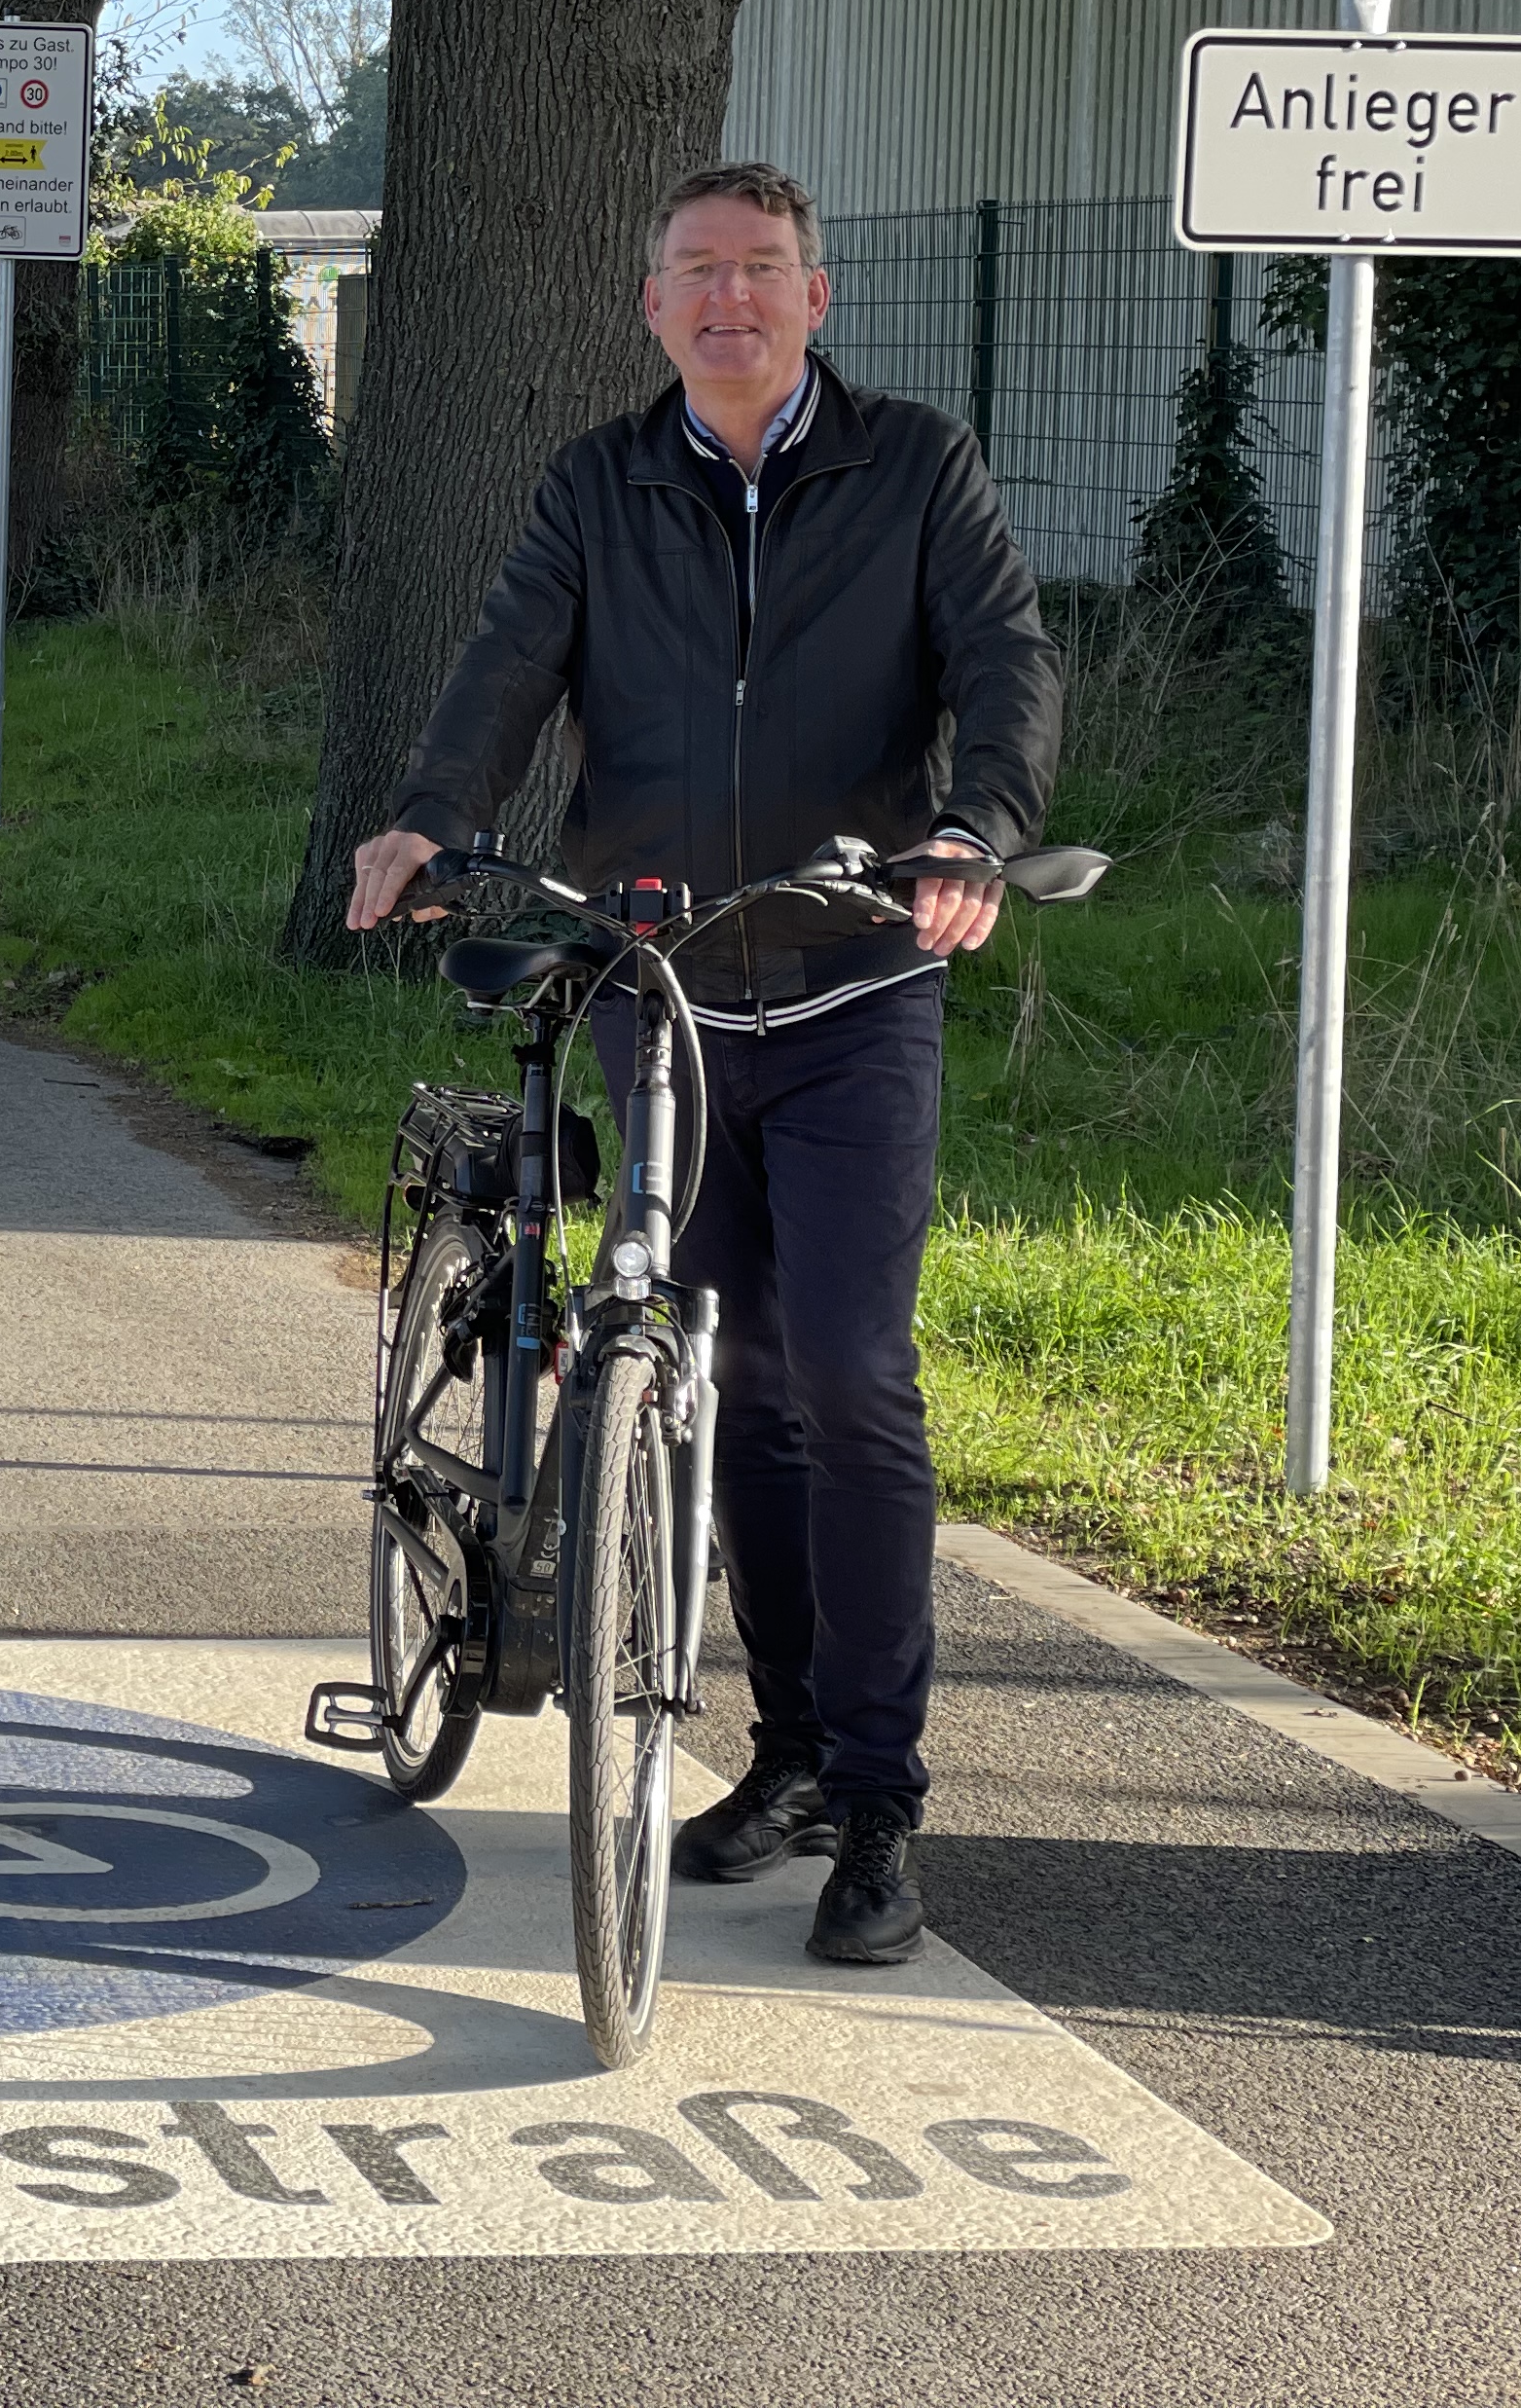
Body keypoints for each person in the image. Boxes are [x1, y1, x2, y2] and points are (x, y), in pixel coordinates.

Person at [344, 158, 1060, 1967]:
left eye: (761, 271)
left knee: (850, 1368)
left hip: (850, 977)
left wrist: (974, 826)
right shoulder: (600, 480)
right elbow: (509, 663)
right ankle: (794, 1749)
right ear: (652, 306)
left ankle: (882, 1800)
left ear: (817, 298)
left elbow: (1005, 662)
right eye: (694, 274)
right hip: (658, 985)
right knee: (707, 1367)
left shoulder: (916, 468)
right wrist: (433, 820)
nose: (728, 299)